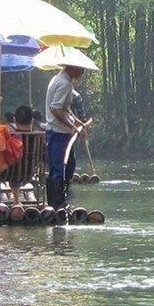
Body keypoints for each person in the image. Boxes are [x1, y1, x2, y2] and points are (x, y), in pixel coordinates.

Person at [44, 64, 86, 209]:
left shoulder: (60, 79)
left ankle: (61, 202)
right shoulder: (63, 83)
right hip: (58, 132)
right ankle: (57, 205)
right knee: (58, 169)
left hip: (62, 132)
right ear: (72, 67)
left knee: (68, 167)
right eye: (80, 69)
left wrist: (76, 121)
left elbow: (65, 108)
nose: (82, 72)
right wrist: (71, 126)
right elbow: (55, 108)